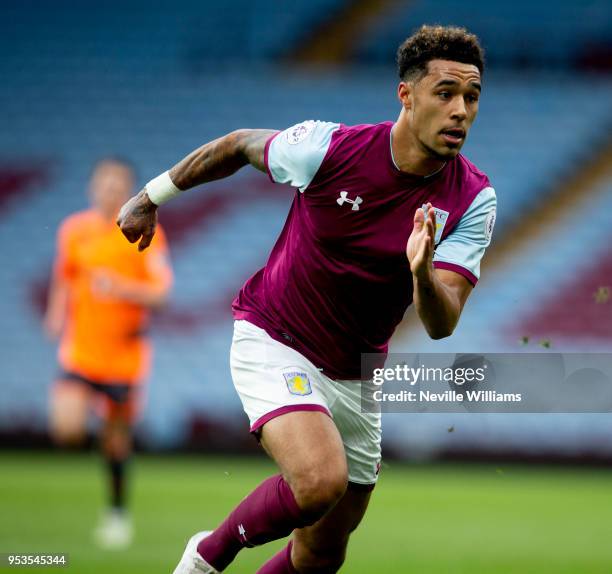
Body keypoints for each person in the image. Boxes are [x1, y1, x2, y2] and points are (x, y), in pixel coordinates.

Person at [118, 24, 496, 573]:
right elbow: (238, 145)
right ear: (406, 95)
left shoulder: (473, 198)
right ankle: (206, 557)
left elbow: (443, 322)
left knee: (321, 552)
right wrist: (152, 196)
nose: (461, 109)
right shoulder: (329, 147)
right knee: (319, 481)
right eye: (446, 93)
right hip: (276, 336)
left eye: (472, 96)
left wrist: (422, 273)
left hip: (357, 373)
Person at [45, 158, 173, 549]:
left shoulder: (145, 232)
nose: (110, 190)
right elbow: (64, 277)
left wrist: (120, 288)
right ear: (92, 188)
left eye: (119, 185)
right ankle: (98, 447)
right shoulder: (74, 231)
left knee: (117, 441)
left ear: (132, 193)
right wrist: (55, 313)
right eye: (104, 183)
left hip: (125, 355)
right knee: (65, 426)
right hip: (82, 350)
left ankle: (117, 514)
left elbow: (162, 294)